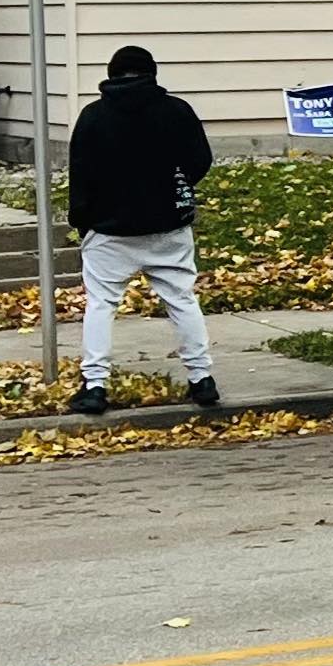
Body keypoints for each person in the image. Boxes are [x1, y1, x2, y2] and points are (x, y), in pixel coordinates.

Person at [64, 44, 218, 412]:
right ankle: (202, 379)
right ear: (152, 73)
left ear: (111, 74)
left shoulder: (93, 117)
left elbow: (80, 175)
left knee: (101, 304)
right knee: (181, 299)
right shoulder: (176, 112)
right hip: (168, 227)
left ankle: (96, 385)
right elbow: (200, 160)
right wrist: (177, 189)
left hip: (109, 230)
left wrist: (83, 221)